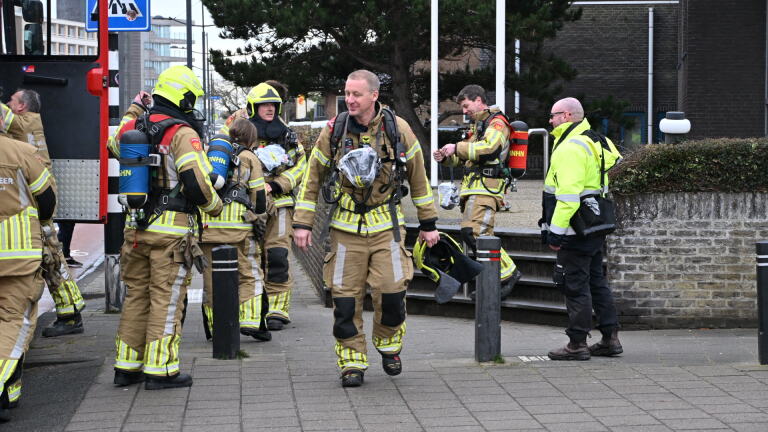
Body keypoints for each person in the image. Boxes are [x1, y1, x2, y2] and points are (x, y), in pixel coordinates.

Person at [294, 69, 439, 387]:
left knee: (392, 295)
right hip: (345, 232)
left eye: (356, 94)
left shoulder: (397, 130)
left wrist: (428, 223)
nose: (349, 99)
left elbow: (418, 178)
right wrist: (302, 223)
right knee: (345, 302)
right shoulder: (333, 132)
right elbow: (311, 179)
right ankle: (352, 363)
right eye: (347, 93)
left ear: (374, 95)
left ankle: (389, 346)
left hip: (386, 227)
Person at [109, 65, 222, 389]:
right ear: (183, 97)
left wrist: (133, 108)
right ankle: (161, 370)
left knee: (137, 297)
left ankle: (126, 367)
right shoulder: (182, 133)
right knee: (166, 299)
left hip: (135, 231)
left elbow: (115, 146)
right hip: (171, 234)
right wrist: (215, 206)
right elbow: (196, 183)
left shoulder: (135, 126)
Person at [541, 97, 623, 361]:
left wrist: (555, 233)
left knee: (574, 283)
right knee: (597, 281)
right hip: (595, 223)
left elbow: (567, 197)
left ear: (566, 116)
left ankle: (577, 343)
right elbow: (613, 162)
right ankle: (610, 338)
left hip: (575, 229)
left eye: (553, 116)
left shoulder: (569, 148)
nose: (550, 121)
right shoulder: (596, 140)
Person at [0, 89, 86, 337]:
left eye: (11, 101)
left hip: (38, 191)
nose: (7, 103)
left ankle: (70, 315)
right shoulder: (29, 121)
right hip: (41, 189)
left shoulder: (21, 121)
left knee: (51, 256)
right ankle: (70, 311)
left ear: (21, 107)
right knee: (51, 255)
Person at [222, 82, 306, 331]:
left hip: (280, 204)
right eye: (264, 105)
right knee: (251, 257)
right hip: (248, 205)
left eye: (273, 105)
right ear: (253, 107)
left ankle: (278, 308)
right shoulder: (236, 132)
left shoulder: (288, 135)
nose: (270, 109)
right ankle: (254, 305)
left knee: (278, 254)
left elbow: (302, 166)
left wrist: (278, 184)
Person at [433, 85, 521, 299]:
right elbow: (468, 156)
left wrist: (457, 147)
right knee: (473, 233)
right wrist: (446, 156)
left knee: (476, 233)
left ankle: (507, 274)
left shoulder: (496, 123)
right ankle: (492, 280)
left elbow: (489, 148)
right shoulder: (478, 126)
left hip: (487, 188)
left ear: (479, 100)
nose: (464, 111)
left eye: (466, 105)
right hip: (476, 188)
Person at [0, 134, 56, 422]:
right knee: (13, 322)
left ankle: (9, 394)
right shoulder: (22, 152)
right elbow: (46, 198)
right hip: (15, 256)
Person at [200, 118, 270, 341]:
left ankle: (214, 327)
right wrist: (258, 215)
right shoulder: (250, 158)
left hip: (208, 228)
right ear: (251, 138)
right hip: (239, 230)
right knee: (249, 274)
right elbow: (259, 196)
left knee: (211, 281)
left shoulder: (211, 158)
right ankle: (249, 320)